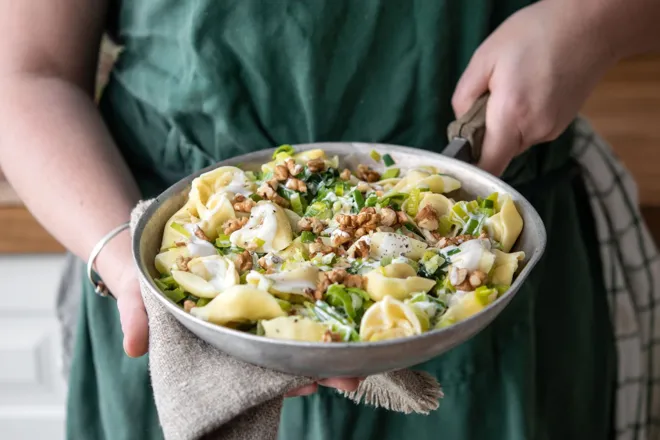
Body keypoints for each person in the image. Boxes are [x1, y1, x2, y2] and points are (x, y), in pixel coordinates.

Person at [1, 0, 659, 439]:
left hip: (492, 313)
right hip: (173, 301)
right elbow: (26, 72)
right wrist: (127, 260)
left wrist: (589, 20)